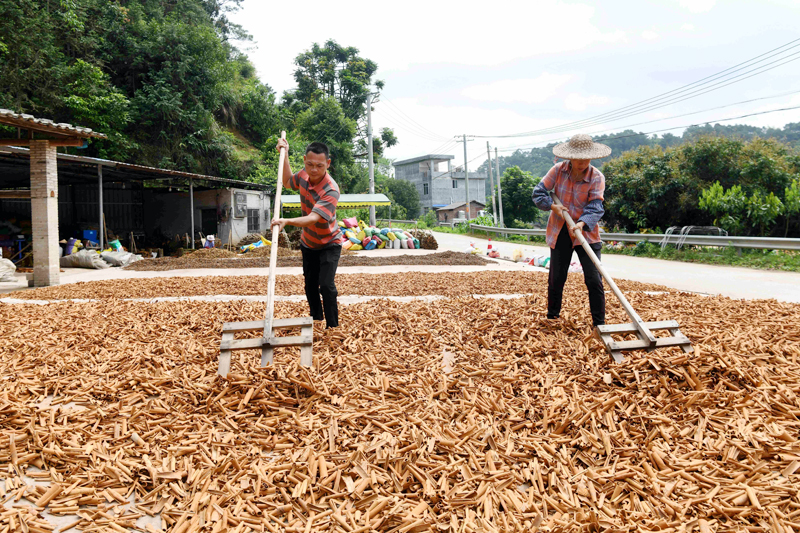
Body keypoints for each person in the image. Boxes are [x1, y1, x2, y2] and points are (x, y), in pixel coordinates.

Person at [531, 134, 611, 328]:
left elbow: (596, 206)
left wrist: (582, 224)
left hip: (586, 233)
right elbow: (538, 193)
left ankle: (599, 325)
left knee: (594, 278)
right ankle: (552, 319)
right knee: (557, 278)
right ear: (570, 157)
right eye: (579, 158)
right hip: (560, 230)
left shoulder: (597, 177)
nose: (583, 162)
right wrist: (553, 207)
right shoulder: (558, 171)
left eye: (587, 158)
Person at [271, 140, 343, 329]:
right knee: (310, 285)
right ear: (304, 160)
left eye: (319, 166)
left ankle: (332, 326)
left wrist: (287, 221)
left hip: (329, 242)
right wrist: (284, 154)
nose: (313, 170)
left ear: (327, 164)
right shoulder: (303, 175)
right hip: (309, 243)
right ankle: (316, 320)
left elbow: (312, 218)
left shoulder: (331, 190)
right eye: (309, 164)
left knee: (326, 285)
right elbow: (287, 182)